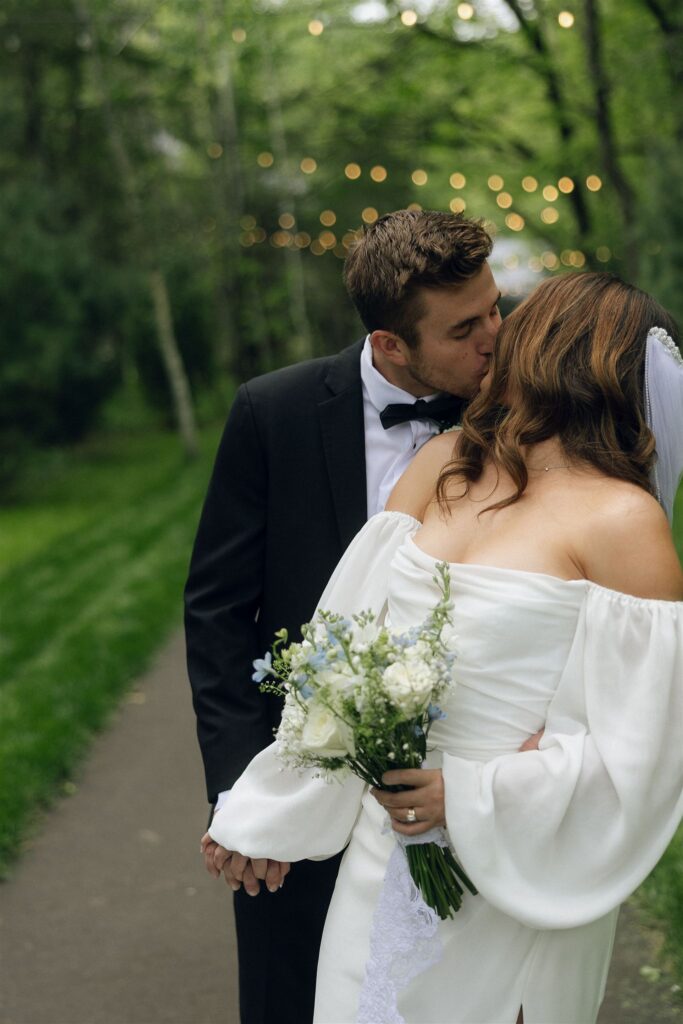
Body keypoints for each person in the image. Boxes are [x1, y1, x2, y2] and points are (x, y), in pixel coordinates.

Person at [206, 271, 683, 1024]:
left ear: (560, 355)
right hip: (381, 850)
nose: (500, 334)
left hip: (515, 867)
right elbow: (342, 645)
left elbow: (642, 756)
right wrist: (266, 815)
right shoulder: (446, 462)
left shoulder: (624, 522)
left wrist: (466, 795)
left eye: (519, 322)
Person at [184, 209, 502, 1024]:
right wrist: (241, 792)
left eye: (494, 310)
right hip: (308, 776)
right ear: (391, 345)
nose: (494, 340)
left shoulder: (521, 412)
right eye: (465, 328)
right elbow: (218, 610)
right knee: (288, 995)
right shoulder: (273, 412)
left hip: (461, 787)